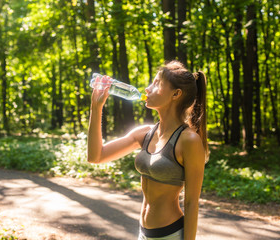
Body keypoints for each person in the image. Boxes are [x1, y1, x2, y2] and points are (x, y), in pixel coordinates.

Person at [87, 60, 209, 240]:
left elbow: (191, 203)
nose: (147, 89)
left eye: (157, 83)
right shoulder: (145, 134)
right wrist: (96, 108)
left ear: (176, 94)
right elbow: (96, 156)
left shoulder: (189, 140)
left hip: (171, 234)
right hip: (143, 233)